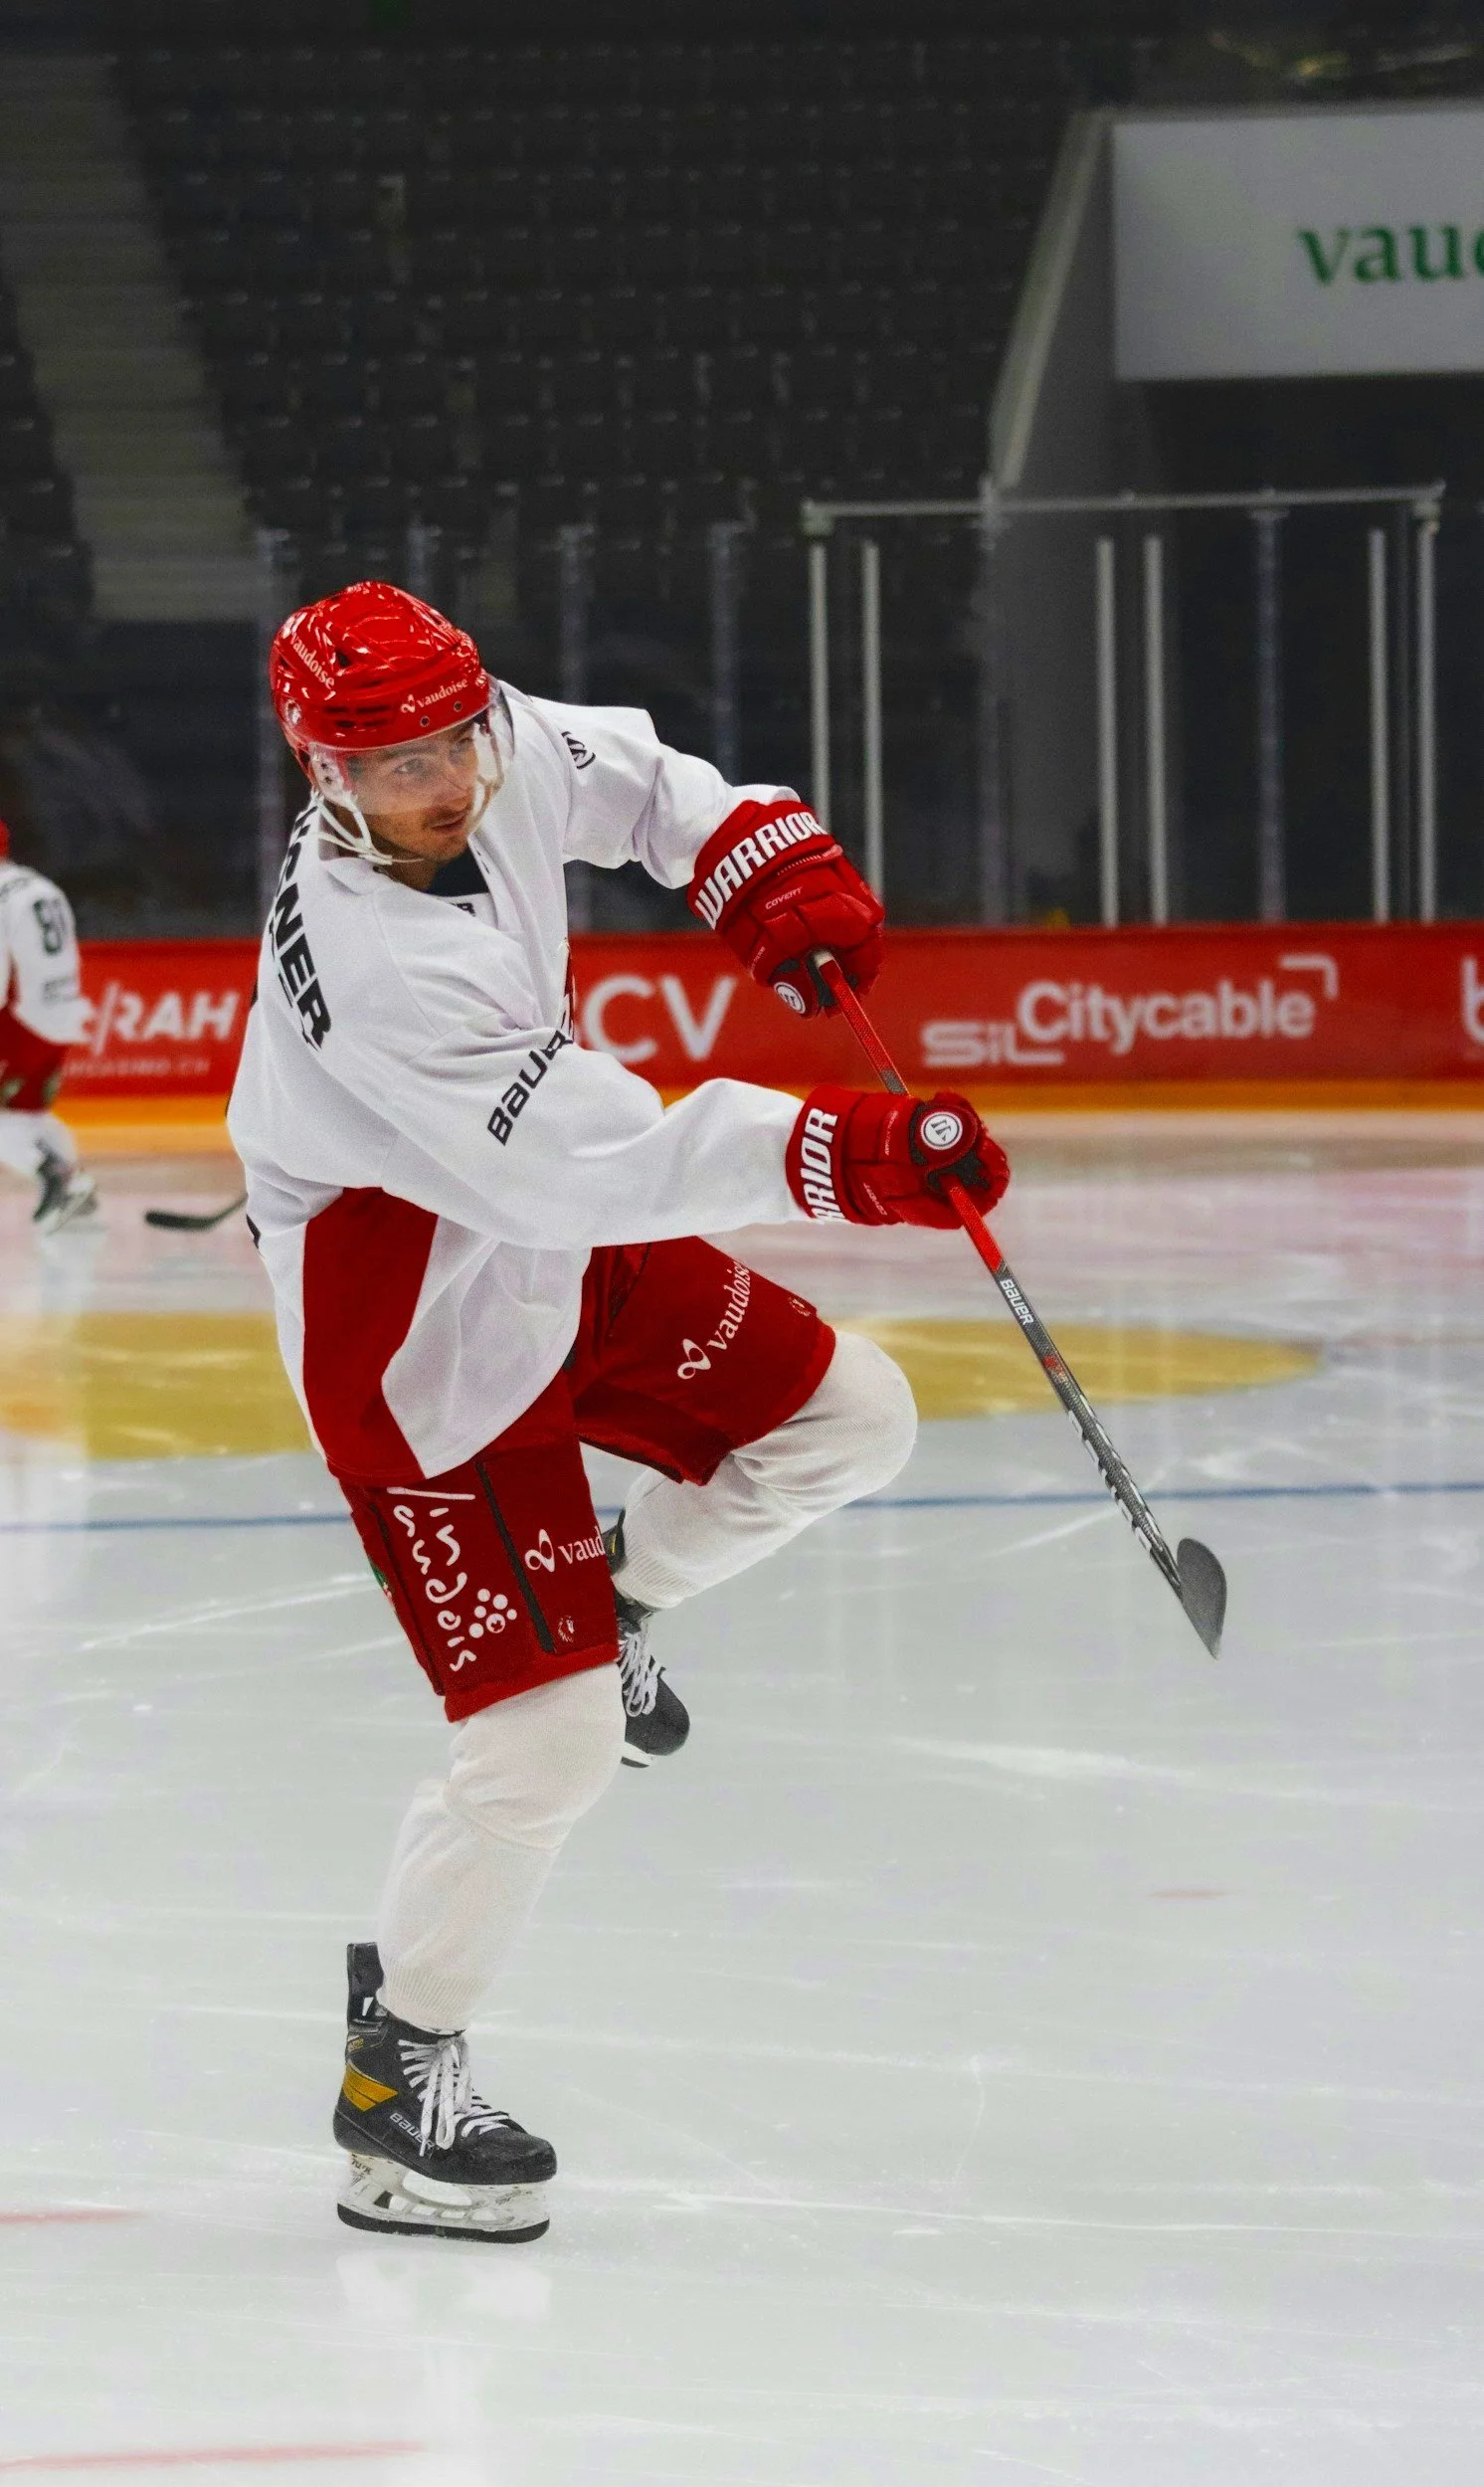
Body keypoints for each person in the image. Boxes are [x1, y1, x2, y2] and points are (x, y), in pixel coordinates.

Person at [228, 580, 1010, 2243]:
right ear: (320, 770)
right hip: (419, 1340)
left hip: (545, 1253)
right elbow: (589, 1153)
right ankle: (397, 2079)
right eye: (395, 765)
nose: (446, 781)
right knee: (546, 1741)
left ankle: (624, 1593)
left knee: (849, 1419)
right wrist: (847, 1154)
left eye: (455, 737)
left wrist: (762, 867)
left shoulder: (489, 741)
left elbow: (638, 785)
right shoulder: (372, 968)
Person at [0, 814, 96, 1233]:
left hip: (22, 1020)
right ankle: (77, 1187)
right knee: (29, 1113)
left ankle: (52, 1176)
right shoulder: (36, 884)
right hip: (62, 1014)